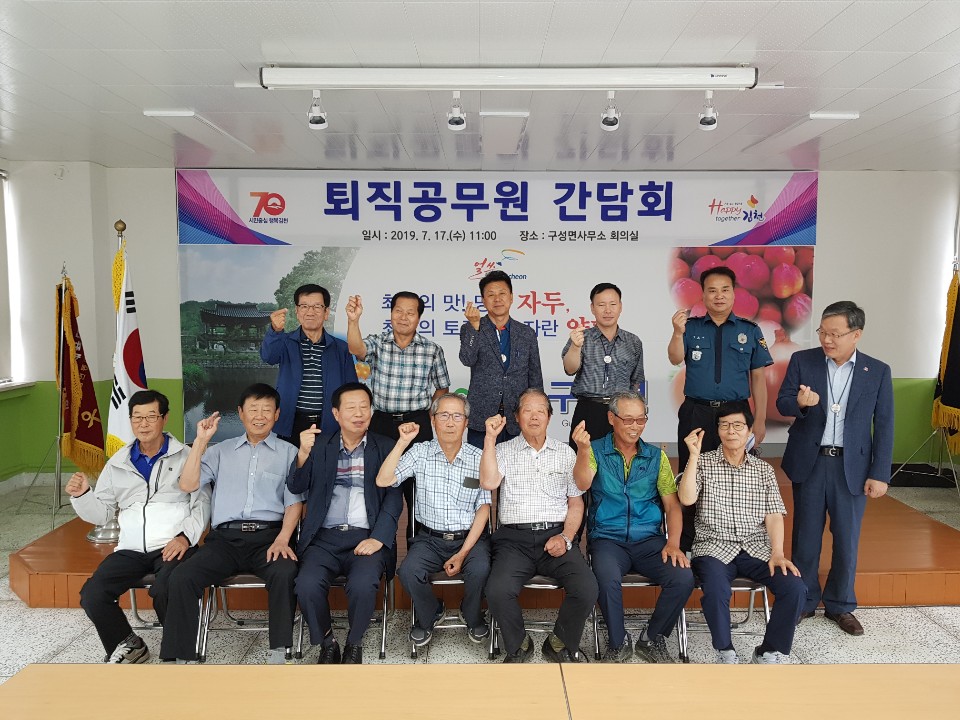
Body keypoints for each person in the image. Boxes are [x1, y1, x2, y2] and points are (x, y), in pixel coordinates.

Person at [160, 384, 302, 665]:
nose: (259, 416)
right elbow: (187, 484)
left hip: (269, 538)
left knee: (285, 571)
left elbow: (294, 502)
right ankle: (180, 656)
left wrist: (283, 538)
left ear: (277, 415)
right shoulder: (220, 451)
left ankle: (279, 651)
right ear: (240, 413)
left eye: (266, 410)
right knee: (182, 576)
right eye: (253, 409)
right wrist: (200, 442)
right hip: (224, 540)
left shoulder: (289, 452)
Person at [65, 390, 210, 664]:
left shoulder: (186, 456)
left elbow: (202, 503)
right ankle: (128, 643)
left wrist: (185, 537)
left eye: (151, 417)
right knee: (93, 594)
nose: (143, 424)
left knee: (168, 588)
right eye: (137, 418)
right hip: (130, 548)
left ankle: (178, 652)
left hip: (172, 544)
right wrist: (83, 495)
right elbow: (102, 514)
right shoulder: (118, 462)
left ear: (164, 418)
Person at [777, 301, 893, 637]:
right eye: (822, 332)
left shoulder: (877, 371)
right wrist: (799, 403)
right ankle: (803, 600)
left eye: (835, 334)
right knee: (806, 537)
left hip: (852, 466)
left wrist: (880, 473)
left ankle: (841, 604)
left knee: (847, 539)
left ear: (856, 334)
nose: (827, 340)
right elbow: (783, 401)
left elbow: (885, 425)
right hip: (811, 462)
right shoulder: (803, 360)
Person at [678, 401, 805, 664]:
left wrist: (778, 553)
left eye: (737, 425)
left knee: (794, 587)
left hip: (756, 548)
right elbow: (687, 499)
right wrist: (693, 456)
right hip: (713, 547)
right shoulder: (703, 463)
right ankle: (725, 650)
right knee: (716, 589)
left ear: (749, 431)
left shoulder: (763, 470)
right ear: (717, 430)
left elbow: (774, 514)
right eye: (724, 425)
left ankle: (768, 650)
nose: (731, 431)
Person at [572, 391, 693, 663]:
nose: (635, 426)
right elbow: (582, 483)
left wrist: (673, 543)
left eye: (641, 419)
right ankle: (617, 643)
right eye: (628, 420)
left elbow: (672, 506)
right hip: (608, 539)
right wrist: (582, 450)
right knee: (605, 578)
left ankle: (652, 637)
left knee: (683, 577)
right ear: (611, 418)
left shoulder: (656, 457)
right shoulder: (595, 450)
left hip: (649, 540)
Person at [480, 388, 598, 663]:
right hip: (513, 541)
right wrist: (489, 438)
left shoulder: (565, 453)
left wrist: (566, 537)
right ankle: (519, 644)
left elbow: (577, 502)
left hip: (556, 535)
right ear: (516, 417)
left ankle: (558, 643)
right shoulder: (503, 450)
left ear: (549, 417)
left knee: (587, 588)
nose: (534, 417)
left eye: (540, 411)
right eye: (527, 411)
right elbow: (487, 482)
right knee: (497, 591)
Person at [289, 382, 403, 664]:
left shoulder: (385, 447)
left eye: (365, 407)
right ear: (336, 414)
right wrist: (302, 453)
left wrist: (379, 538)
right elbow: (296, 486)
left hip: (366, 536)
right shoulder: (319, 446)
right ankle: (327, 641)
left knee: (364, 585)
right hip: (323, 539)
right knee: (306, 584)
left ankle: (354, 642)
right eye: (351, 408)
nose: (359, 413)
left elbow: (393, 498)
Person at [668, 266, 773, 551]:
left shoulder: (749, 330)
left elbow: (759, 379)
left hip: (736, 414)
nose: (719, 296)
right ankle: (690, 543)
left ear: (734, 293)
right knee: (691, 474)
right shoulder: (690, 327)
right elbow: (674, 358)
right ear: (702, 295)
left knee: (736, 475)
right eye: (712, 290)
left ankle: (737, 541)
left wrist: (760, 420)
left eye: (725, 290)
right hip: (696, 411)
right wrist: (677, 333)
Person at [376, 393, 492, 647]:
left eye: (457, 416)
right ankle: (431, 612)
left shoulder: (478, 457)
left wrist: (463, 553)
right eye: (444, 415)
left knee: (482, 569)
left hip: (469, 539)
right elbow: (383, 480)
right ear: (433, 420)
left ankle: (471, 614)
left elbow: (483, 509)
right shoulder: (420, 452)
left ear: (466, 422)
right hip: (429, 539)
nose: (450, 422)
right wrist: (402, 442)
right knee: (408, 572)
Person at [346, 291, 450, 542]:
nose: (403, 317)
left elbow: (442, 387)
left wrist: (427, 413)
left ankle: (418, 548)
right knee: (378, 487)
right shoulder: (378, 342)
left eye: (410, 312)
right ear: (391, 314)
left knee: (418, 490)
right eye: (398, 311)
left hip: (417, 425)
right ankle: (379, 546)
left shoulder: (431, 350)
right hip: (382, 423)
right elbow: (357, 349)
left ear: (419, 318)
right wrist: (353, 320)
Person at [260, 283, 358, 446]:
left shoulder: (341, 348)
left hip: (329, 425)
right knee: (291, 462)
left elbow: (351, 389)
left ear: (326, 313)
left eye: (317, 307)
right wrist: (275, 331)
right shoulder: (285, 341)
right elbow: (268, 357)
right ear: (297, 311)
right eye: (304, 306)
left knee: (325, 462)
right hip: (291, 423)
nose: (310, 312)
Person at [459, 270, 543, 449]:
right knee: (480, 466)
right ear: (483, 300)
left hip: (517, 418)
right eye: (491, 295)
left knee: (518, 466)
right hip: (482, 418)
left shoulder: (526, 333)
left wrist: (538, 411)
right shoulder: (470, 329)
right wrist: (475, 327)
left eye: (502, 293)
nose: (497, 299)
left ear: (511, 297)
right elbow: (467, 359)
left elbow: (535, 376)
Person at [563, 283, 645, 449]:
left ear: (620, 307)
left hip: (621, 413)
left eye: (612, 304)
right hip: (588, 410)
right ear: (592, 308)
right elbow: (569, 369)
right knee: (582, 460)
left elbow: (636, 381)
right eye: (601, 305)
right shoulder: (581, 338)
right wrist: (576, 347)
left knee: (620, 461)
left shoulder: (633, 342)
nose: (608, 310)